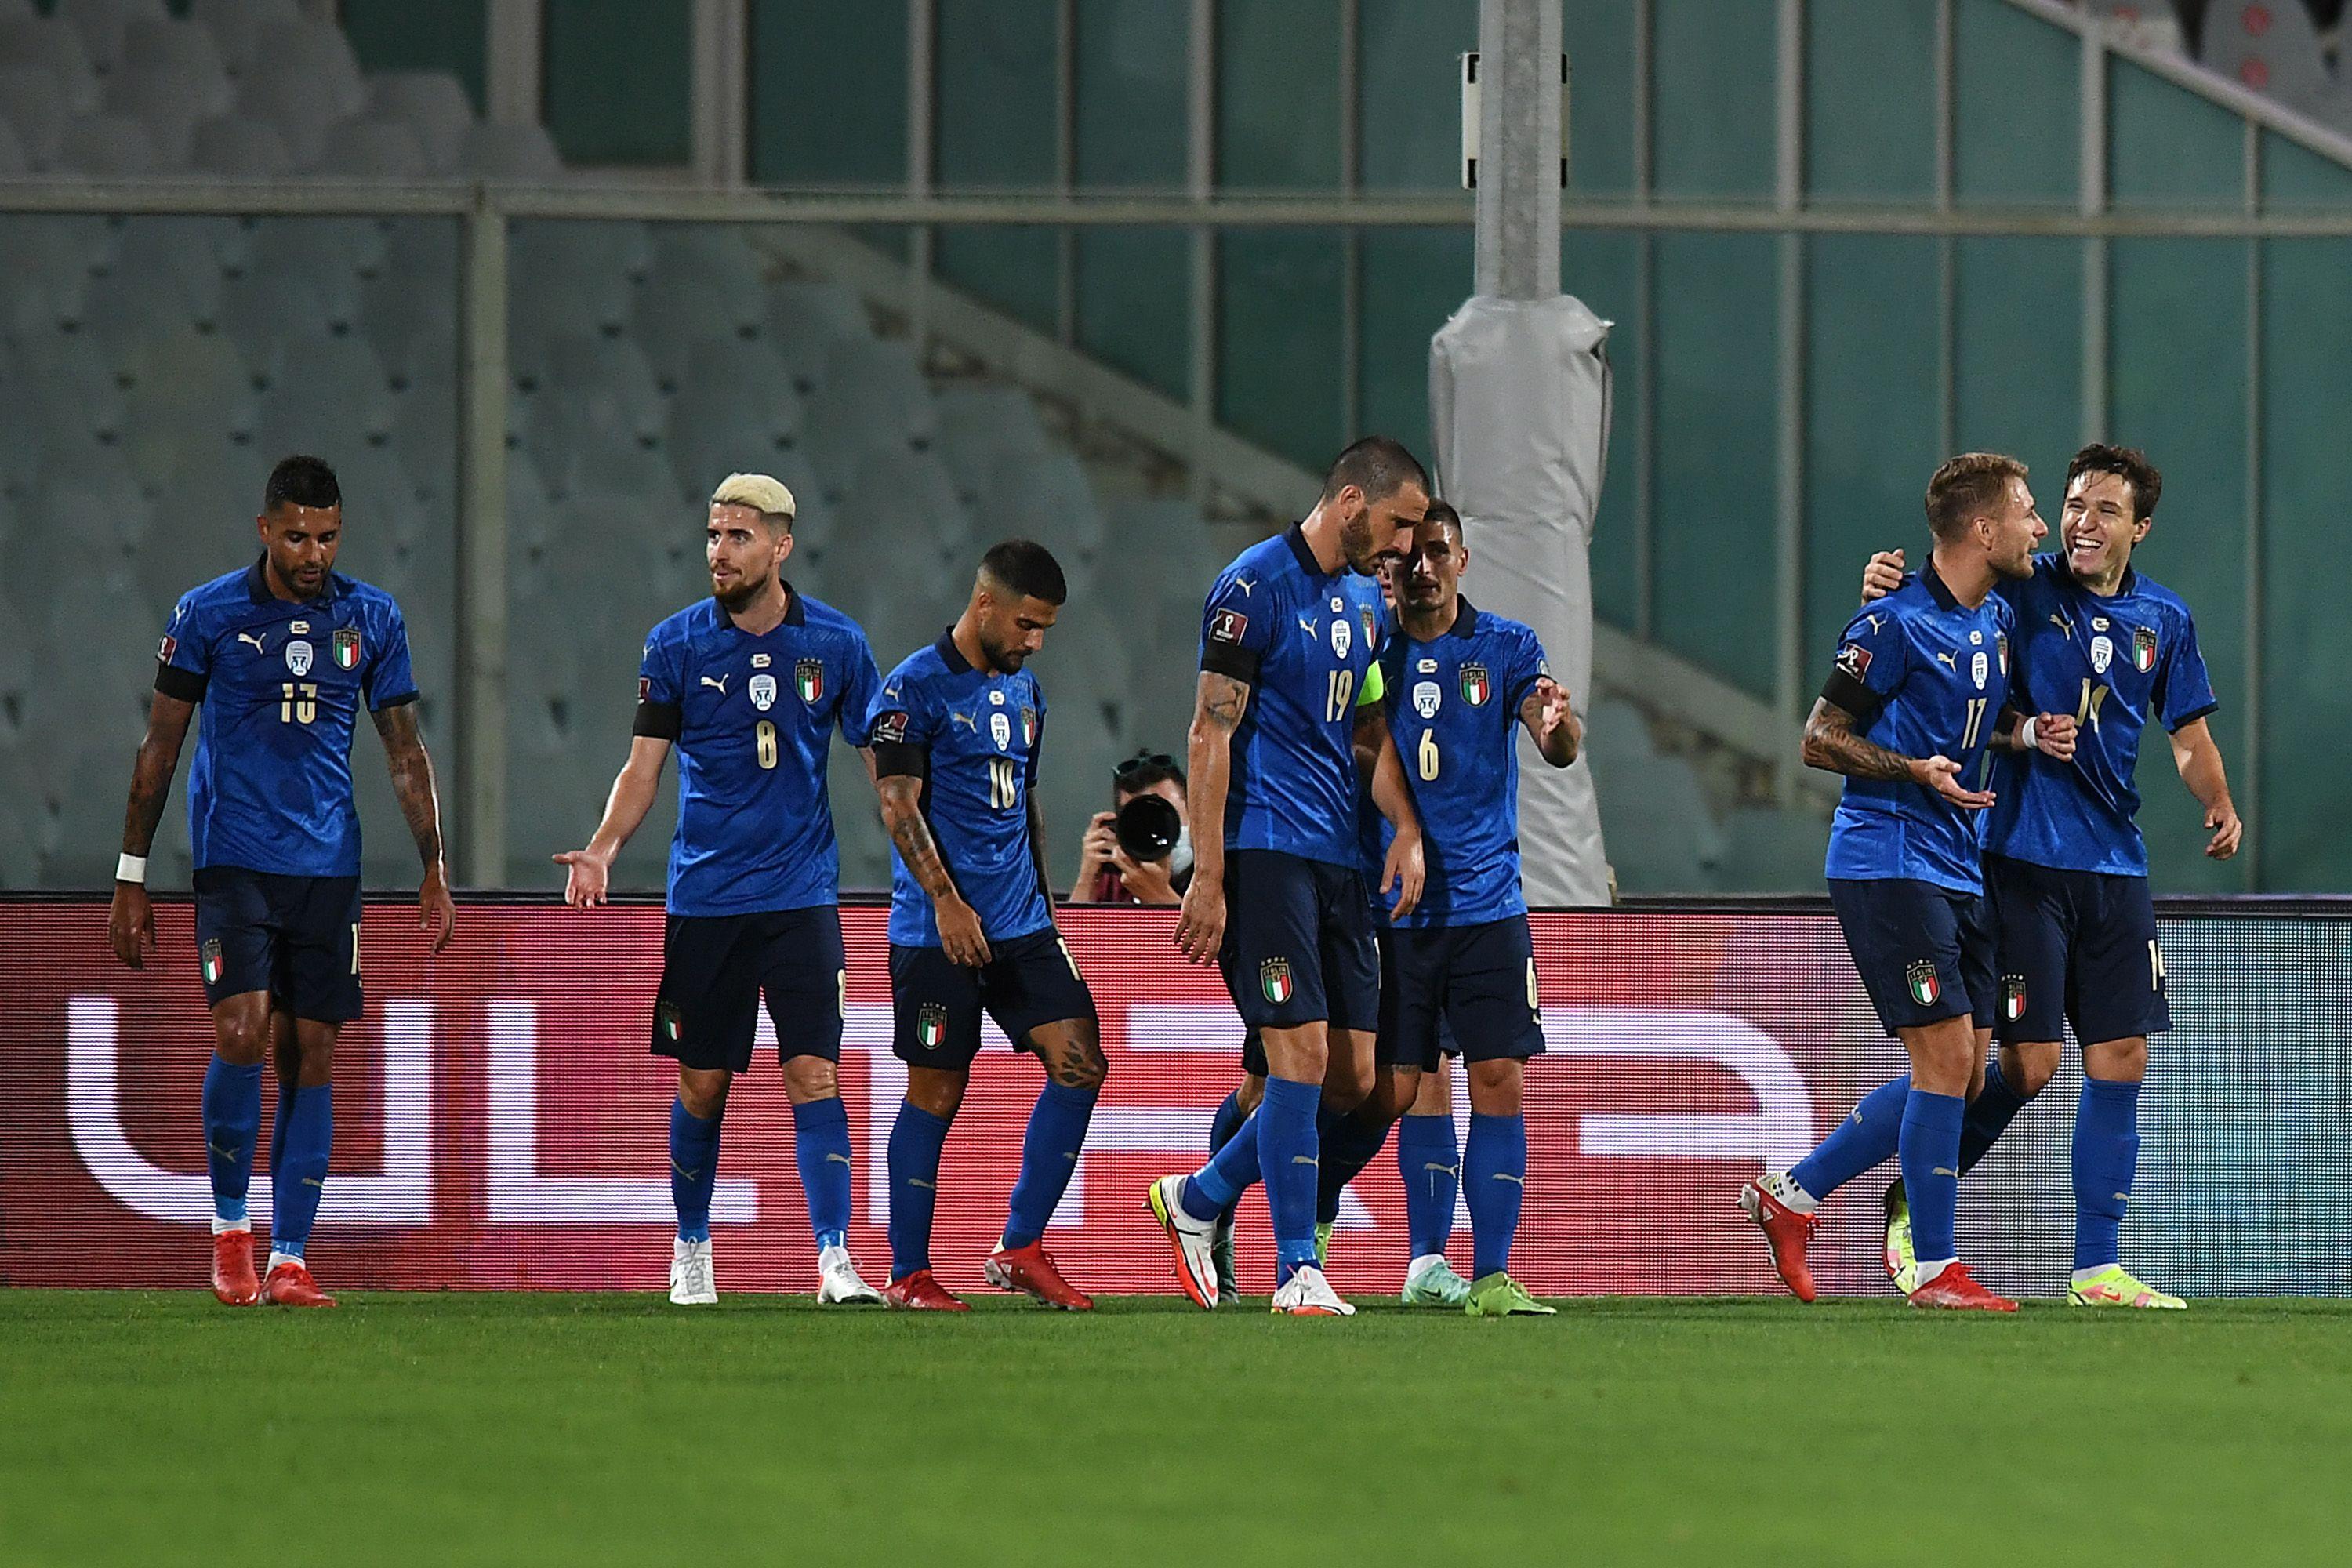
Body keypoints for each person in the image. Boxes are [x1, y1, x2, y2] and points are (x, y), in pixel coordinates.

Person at [1856, 445, 2235, 1308]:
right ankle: (1914, 1198)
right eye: (2071, 504)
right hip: (2019, 860)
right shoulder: (2024, 585)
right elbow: (1939, 610)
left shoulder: (2164, 618)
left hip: (2115, 866)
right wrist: (1885, 579)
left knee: (2125, 1055)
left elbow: (2187, 735)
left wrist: (2219, 801)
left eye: (2104, 509)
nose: (2079, 522)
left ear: (2140, 527)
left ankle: (2096, 1268)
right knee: (2025, 1067)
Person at [109, 455, 456, 1309]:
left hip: (327, 867)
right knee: (241, 1030)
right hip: (233, 860)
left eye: (328, 535)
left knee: (314, 1050)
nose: (314, 552)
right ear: (264, 529)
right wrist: (131, 874)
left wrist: (432, 866)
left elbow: (403, 749)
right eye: (298, 534)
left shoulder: (372, 616)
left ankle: (291, 1257)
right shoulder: (209, 613)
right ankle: (231, 1234)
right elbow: (160, 747)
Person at [1739, 452, 2063, 1312]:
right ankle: (1933, 1268)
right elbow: (1818, 737)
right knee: (1949, 1056)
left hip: (1957, 862)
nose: (2040, 528)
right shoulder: (1891, 623)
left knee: (1955, 1069)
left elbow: (1962, 726)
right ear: (1982, 529)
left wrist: (2021, 737)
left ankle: (1793, 1193)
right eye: (2028, 512)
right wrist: (1911, 771)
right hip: (1886, 858)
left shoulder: (1992, 619)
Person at [555, 474, 884, 1308]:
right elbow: (643, 768)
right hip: (706, 900)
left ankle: (835, 1257)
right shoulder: (675, 645)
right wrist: (602, 848)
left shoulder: (838, 645)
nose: (719, 551)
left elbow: (880, 763)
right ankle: (692, 1244)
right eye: (712, 535)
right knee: (702, 1083)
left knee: (815, 1072)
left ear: (781, 546)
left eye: (739, 537)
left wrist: (918, 843)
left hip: (802, 896)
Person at [1145, 435, 1429, 1317]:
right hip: (1267, 850)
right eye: (1400, 522)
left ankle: (1198, 1199)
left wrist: (1408, 829)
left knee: (1354, 1078)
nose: (1408, 546)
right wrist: (1209, 875)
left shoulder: (1368, 609)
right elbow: (1209, 732)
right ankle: (1296, 1267)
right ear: (1351, 502)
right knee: (1297, 1056)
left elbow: (1370, 737)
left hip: (1342, 858)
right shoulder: (1252, 586)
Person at [1308, 502, 1580, 1316]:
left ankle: (1491, 1275)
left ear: (1462, 560)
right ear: (1388, 566)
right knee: (1398, 1087)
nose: (1422, 566)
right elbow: (1355, 745)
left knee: (1498, 1074)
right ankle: (1339, 1226)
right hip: (1392, 904)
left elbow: (1552, 733)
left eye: (1438, 551)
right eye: (1409, 555)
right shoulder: (1367, 646)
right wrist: (1405, 829)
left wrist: (1557, 726)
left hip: (1489, 904)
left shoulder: (1505, 646)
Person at [869, 539, 1105, 1312]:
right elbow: (898, 804)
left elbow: (1023, 804)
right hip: (938, 929)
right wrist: (945, 901)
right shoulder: (911, 690)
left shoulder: (1027, 693)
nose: (1034, 642)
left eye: (1045, 630)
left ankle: (1021, 1244)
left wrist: (1043, 897)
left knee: (1081, 1061)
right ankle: (909, 1273)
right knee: (937, 1089)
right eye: (1027, 624)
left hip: (1021, 923)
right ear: (984, 606)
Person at [1069, 750, 1191, 906]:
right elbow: (1073, 929)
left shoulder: (1217, 877)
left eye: (1163, 817)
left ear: (1194, 815)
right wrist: (1087, 880)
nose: (1153, 828)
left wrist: (1159, 897)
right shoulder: (1114, 876)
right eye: (1141, 820)